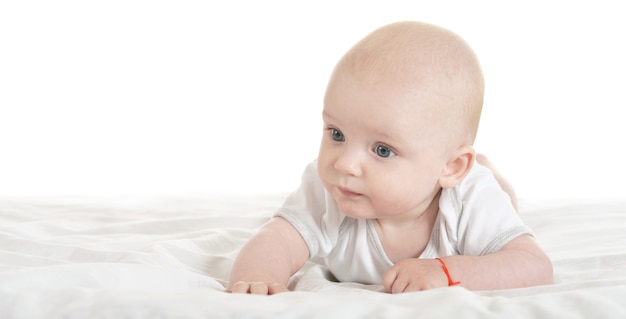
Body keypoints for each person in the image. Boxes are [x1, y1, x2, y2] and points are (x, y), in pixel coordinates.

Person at [227, 21, 553, 294]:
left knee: (503, 199)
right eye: (337, 134)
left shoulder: (469, 200)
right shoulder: (329, 188)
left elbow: (533, 265)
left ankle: (489, 170)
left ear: (451, 167)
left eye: (383, 150)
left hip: (474, 188)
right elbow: (277, 238)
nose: (345, 164)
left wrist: (446, 271)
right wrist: (260, 277)